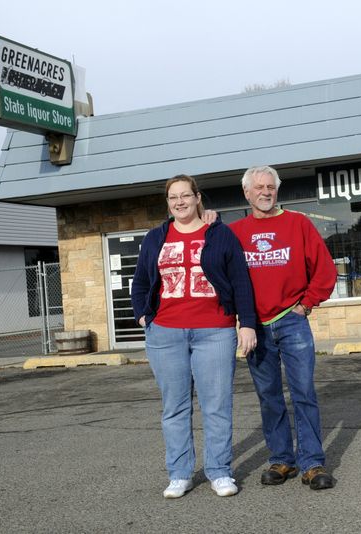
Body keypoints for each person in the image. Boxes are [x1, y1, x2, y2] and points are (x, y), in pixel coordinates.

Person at [131, 174, 257, 499]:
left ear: (197, 197)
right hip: (165, 333)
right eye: (173, 197)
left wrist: (247, 323)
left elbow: (241, 281)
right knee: (174, 407)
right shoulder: (156, 237)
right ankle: (180, 473)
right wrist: (144, 315)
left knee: (216, 405)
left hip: (214, 331)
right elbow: (141, 282)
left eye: (185, 195)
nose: (179, 202)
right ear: (168, 202)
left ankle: (219, 471)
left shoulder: (220, 234)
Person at [229, 165, 338, 490]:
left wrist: (305, 305)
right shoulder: (234, 232)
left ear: (276, 191)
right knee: (269, 396)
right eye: (259, 187)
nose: (265, 192)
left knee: (304, 393)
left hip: (292, 321)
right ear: (247, 193)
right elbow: (218, 271)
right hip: (255, 327)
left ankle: (312, 463)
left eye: (270, 187)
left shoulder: (299, 224)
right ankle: (282, 459)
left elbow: (324, 271)